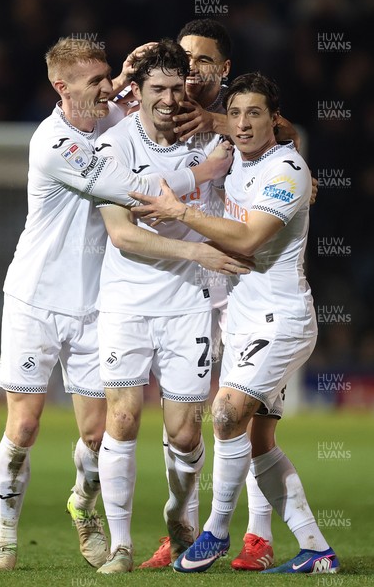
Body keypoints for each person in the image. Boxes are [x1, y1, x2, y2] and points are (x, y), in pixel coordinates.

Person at [0, 36, 236, 572]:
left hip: (98, 303)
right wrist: (202, 174)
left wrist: (127, 82)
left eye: (108, 78)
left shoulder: (113, 119)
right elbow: (129, 187)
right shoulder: (53, 142)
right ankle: (5, 539)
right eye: (96, 81)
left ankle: (85, 507)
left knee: (99, 434)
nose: (108, 88)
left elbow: (158, 105)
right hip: (36, 298)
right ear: (62, 88)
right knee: (24, 427)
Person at [130, 71, 340, 575]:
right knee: (259, 439)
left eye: (255, 114)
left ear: (275, 121)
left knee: (225, 413)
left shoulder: (286, 171)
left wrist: (179, 210)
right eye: (238, 113)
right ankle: (316, 550)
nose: (243, 124)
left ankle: (215, 532)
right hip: (243, 316)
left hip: (282, 317)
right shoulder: (236, 159)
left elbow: (247, 241)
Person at [90, 39, 250, 575]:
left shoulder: (207, 136)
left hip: (188, 304)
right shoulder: (113, 143)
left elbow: (274, 132)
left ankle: (179, 517)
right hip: (125, 303)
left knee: (185, 433)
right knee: (124, 417)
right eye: (157, 89)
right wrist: (195, 244)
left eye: (177, 88)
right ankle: (118, 545)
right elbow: (122, 234)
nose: (167, 99)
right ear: (138, 91)